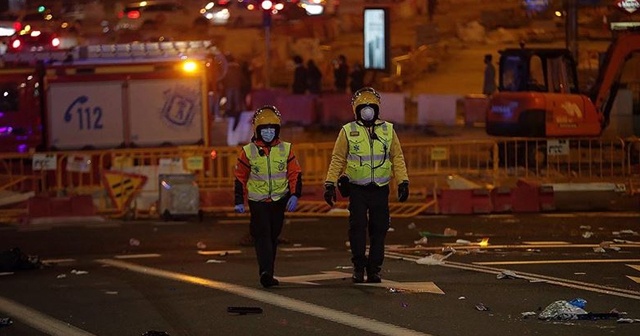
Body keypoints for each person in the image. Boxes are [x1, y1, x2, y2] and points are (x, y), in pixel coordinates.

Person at [323, 87, 409, 284]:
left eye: (371, 107)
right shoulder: (347, 131)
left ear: (377, 109)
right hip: (357, 189)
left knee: (379, 230)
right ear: (356, 109)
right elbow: (338, 158)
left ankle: (374, 269)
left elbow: (397, 157)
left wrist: (403, 181)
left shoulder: (388, 130)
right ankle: (359, 266)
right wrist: (329, 184)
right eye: (364, 107)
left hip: (380, 188)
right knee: (357, 228)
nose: (367, 110)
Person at [234, 105, 303, 288]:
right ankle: (265, 271)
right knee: (263, 235)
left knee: (273, 236)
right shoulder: (248, 151)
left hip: (279, 200)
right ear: (257, 130)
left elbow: (295, 173)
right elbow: (240, 177)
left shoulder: (286, 149)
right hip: (258, 201)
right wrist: (239, 200)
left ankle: (268, 272)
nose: (269, 133)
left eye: (272, 129)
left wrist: (295, 195)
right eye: (265, 129)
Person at [223, 53, 245, 130]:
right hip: (236, 85)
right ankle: (238, 111)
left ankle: (228, 111)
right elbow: (241, 77)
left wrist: (224, 84)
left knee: (229, 99)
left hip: (229, 86)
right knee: (236, 99)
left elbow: (224, 77)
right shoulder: (237, 67)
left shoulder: (226, 68)